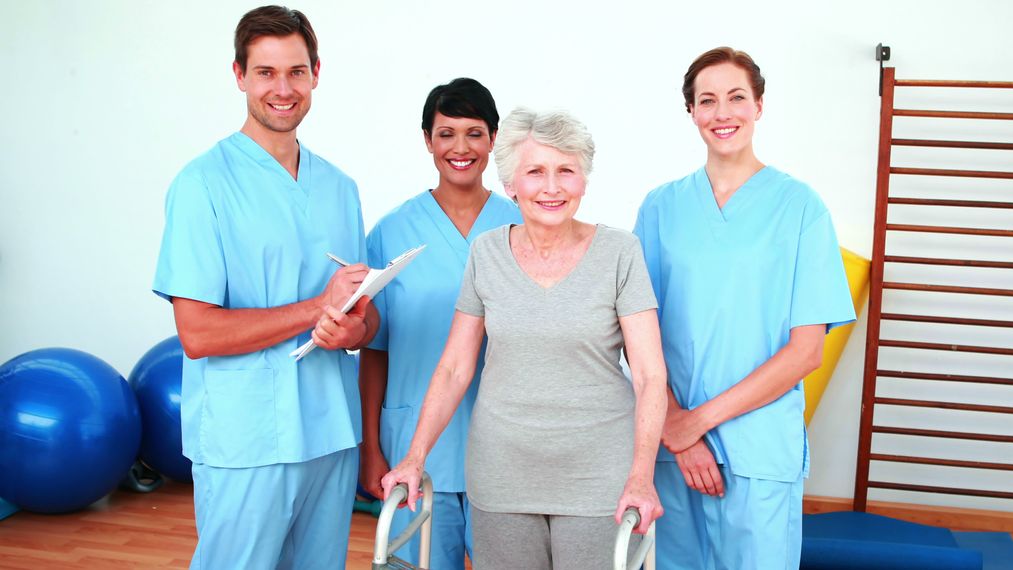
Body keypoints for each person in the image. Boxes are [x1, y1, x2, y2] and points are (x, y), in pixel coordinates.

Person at [380, 108, 667, 569]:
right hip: (502, 473)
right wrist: (414, 457)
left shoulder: (619, 253)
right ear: (512, 184)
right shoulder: (487, 252)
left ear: (584, 182)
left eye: (565, 171)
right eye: (535, 172)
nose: (551, 187)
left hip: (598, 475)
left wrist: (641, 475)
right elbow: (455, 366)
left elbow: (650, 375)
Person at [152, 6, 378, 569]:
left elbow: (364, 317)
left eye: (296, 72)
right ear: (239, 76)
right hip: (247, 437)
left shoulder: (339, 186)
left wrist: (352, 324)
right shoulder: (202, 184)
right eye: (266, 72)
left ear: (316, 74)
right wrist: (314, 309)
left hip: (330, 431)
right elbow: (197, 333)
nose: (283, 88)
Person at [634, 47, 856, 570]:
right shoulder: (660, 208)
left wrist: (698, 423)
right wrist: (677, 430)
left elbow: (806, 354)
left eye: (736, 97)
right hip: (672, 451)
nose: (722, 113)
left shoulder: (801, 207)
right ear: (691, 112)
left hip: (758, 449)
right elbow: (634, 335)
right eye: (707, 101)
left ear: (759, 105)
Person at [358, 77, 521, 569]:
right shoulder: (391, 233)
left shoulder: (523, 225)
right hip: (416, 446)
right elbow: (374, 349)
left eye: (474, 133)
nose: (460, 148)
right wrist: (371, 447)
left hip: (507, 449)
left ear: (494, 140)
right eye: (446, 133)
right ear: (427, 140)